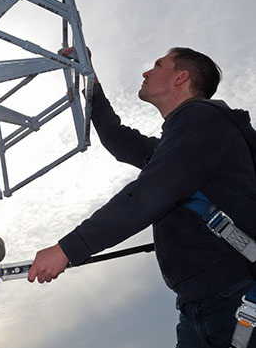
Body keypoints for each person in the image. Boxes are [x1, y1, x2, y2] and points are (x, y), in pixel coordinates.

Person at [28, 47, 256, 347]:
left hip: (235, 295)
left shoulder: (203, 120)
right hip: (198, 305)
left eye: (158, 65)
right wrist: (90, 78)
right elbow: (117, 139)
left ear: (181, 77)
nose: (147, 72)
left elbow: (151, 191)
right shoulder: (178, 143)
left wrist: (68, 248)